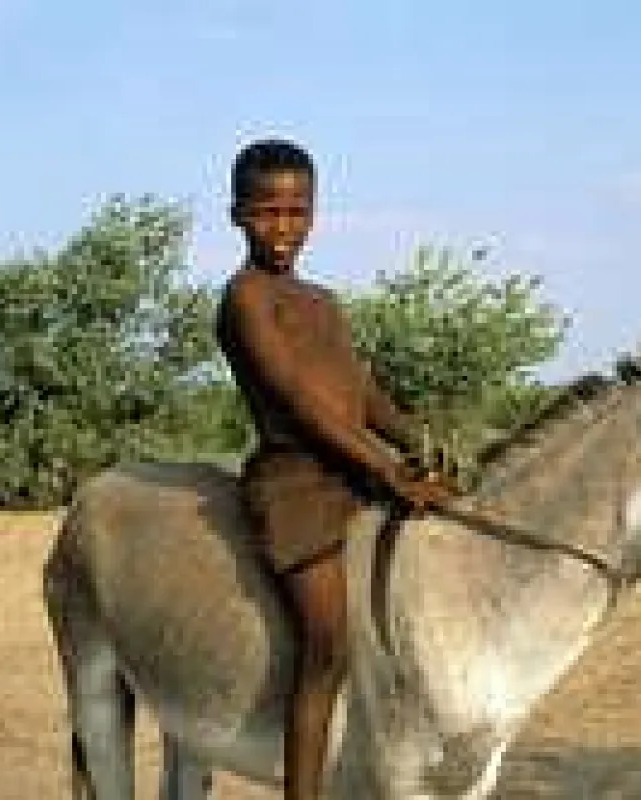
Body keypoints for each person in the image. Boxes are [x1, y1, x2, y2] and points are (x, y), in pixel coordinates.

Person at [215, 138, 454, 799]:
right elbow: (299, 402)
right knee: (326, 643)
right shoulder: (246, 299)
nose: (283, 228)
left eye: (297, 212)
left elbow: (361, 392)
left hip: (351, 468)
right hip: (293, 480)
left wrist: (419, 441)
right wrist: (387, 473)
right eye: (267, 213)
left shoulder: (321, 300)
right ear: (237, 215)